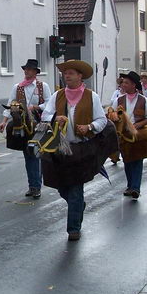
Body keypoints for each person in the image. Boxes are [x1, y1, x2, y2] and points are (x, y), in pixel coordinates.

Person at [40, 60, 109, 241]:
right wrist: (55, 118)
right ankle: (78, 205)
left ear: (80, 76)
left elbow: (102, 120)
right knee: (63, 187)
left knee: (76, 187)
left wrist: (90, 126)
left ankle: (73, 229)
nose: (67, 76)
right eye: (65, 73)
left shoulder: (91, 96)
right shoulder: (57, 95)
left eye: (71, 73)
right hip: (60, 148)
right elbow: (45, 115)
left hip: (82, 148)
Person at [0, 58, 52, 199]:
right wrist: (4, 122)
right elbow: (10, 105)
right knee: (28, 155)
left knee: (34, 155)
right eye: (25, 69)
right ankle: (32, 186)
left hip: (38, 125)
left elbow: (49, 104)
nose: (26, 71)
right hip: (23, 125)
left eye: (29, 69)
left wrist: (35, 107)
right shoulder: (17, 87)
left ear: (35, 72)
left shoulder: (42, 86)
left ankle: (36, 187)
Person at [111, 71, 147, 199]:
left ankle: (135, 188)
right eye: (123, 82)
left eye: (126, 83)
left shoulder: (144, 100)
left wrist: (138, 125)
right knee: (127, 160)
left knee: (137, 160)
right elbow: (112, 115)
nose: (123, 85)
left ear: (133, 85)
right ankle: (130, 186)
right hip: (123, 136)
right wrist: (114, 116)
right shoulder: (118, 100)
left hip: (138, 135)